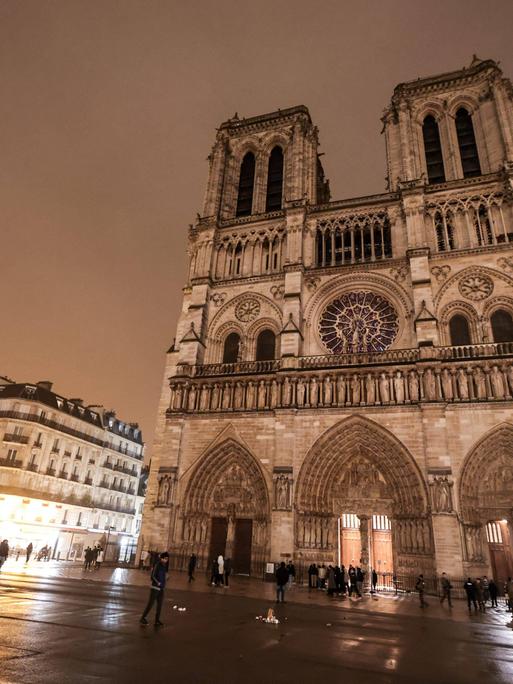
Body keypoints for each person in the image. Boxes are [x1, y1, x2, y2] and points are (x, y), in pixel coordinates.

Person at [140, 551, 169, 626]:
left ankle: (157, 620)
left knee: (160, 605)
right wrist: (158, 582)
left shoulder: (164, 566)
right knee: (150, 604)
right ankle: (142, 618)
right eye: (165, 558)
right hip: (155, 588)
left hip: (161, 588)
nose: (166, 560)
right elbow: (152, 576)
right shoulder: (158, 565)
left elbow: (163, 576)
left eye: (167, 559)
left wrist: (166, 578)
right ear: (162, 558)